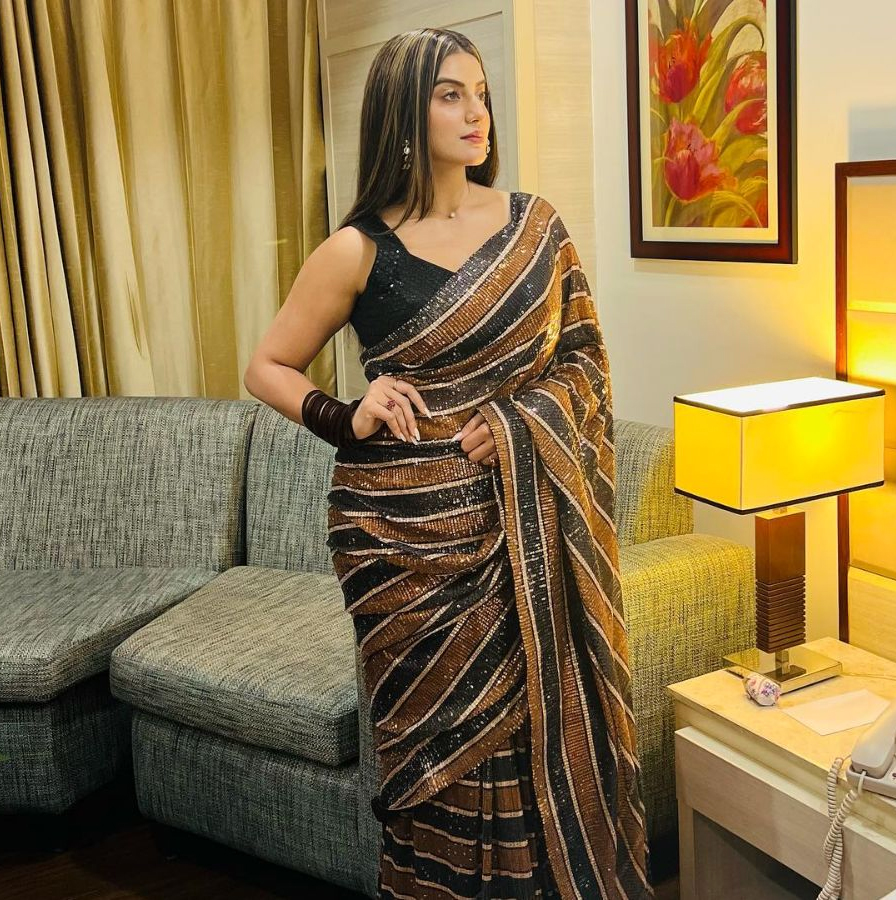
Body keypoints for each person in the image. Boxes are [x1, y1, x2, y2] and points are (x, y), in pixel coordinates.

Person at [243, 26, 652, 900]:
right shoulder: (357, 249)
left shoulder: (535, 228)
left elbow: (584, 362)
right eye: (450, 95)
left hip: (522, 533)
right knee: (437, 761)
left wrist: (518, 423)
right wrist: (345, 413)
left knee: (531, 732)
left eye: (481, 94)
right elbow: (266, 366)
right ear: (403, 110)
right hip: (403, 547)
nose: (477, 114)